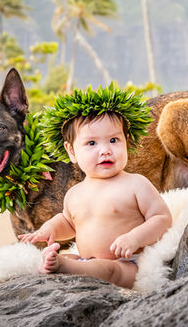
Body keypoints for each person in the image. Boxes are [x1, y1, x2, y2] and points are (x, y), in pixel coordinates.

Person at [19, 106, 172, 289]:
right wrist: (49, 229)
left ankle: (65, 267)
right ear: (72, 152)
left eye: (114, 140)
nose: (105, 150)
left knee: (109, 269)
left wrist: (135, 238)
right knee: (68, 257)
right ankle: (64, 265)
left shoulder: (136, 184)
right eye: (92, 143)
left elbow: (162, 219)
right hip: (85, 260)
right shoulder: (75, 193)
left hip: (127, 263)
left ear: (127, 142)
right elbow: (68, 223)